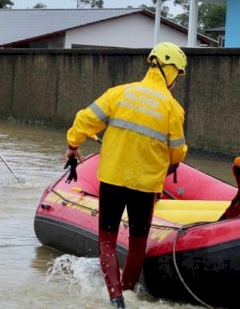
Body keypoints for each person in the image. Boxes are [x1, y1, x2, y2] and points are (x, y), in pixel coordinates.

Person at [64, 42, 188, 309]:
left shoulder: (118, 93)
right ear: (171, 71)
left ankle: (115, 298)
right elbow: (177, 154)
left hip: (112, 179)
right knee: (137, 242)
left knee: (107, 240)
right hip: (145, 186)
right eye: (178, 74)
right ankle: (129, 293)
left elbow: (84, 120)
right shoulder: (172, 108)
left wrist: (73, 145)